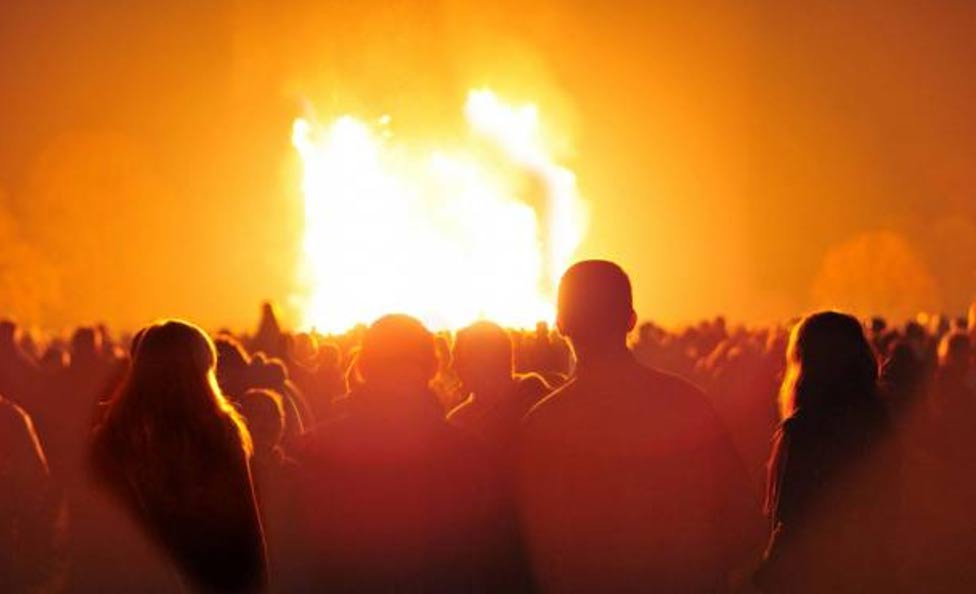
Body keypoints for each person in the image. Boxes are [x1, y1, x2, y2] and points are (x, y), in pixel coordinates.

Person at [518, 260, 761, 594]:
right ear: (631, 320)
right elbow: (744, 526)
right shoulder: (687, 405)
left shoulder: (542, 426)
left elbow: (528, 550)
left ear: (561, 325)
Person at [295, 314, 519, 593]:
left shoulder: (314, 451)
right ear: (433, 367)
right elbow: (496, 566)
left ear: (364, 366)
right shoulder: (471, 456)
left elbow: (294, 564)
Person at [91, 320, 267, 594]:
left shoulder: (114, 436)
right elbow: (246, 527)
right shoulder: (219, 432)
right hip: (211, 574)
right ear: (202, 369)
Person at [755, 311, 900, 593]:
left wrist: (767, 572)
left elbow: (791, 517)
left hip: (815, 574)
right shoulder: (879, 422)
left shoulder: (802, 429)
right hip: (870, 568)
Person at [448, 321, 550, 454]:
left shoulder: (536, 404)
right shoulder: (459, 420)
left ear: (483, 362)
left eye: (459, 360)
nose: (452, 367)